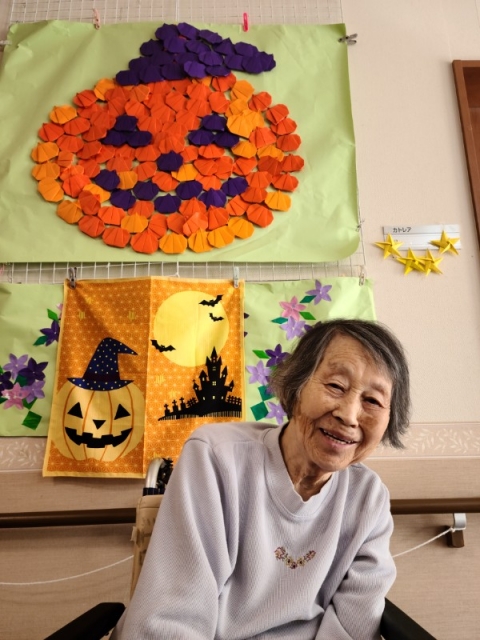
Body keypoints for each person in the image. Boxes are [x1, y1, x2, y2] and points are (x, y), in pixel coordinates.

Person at [112, 318, 410, 640]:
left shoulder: (368, 498)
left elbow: (353, 628)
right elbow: (172, 618)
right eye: (335, 386)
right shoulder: (216, 459)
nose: (348, 415)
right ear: (295, 388)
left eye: (373, 401)